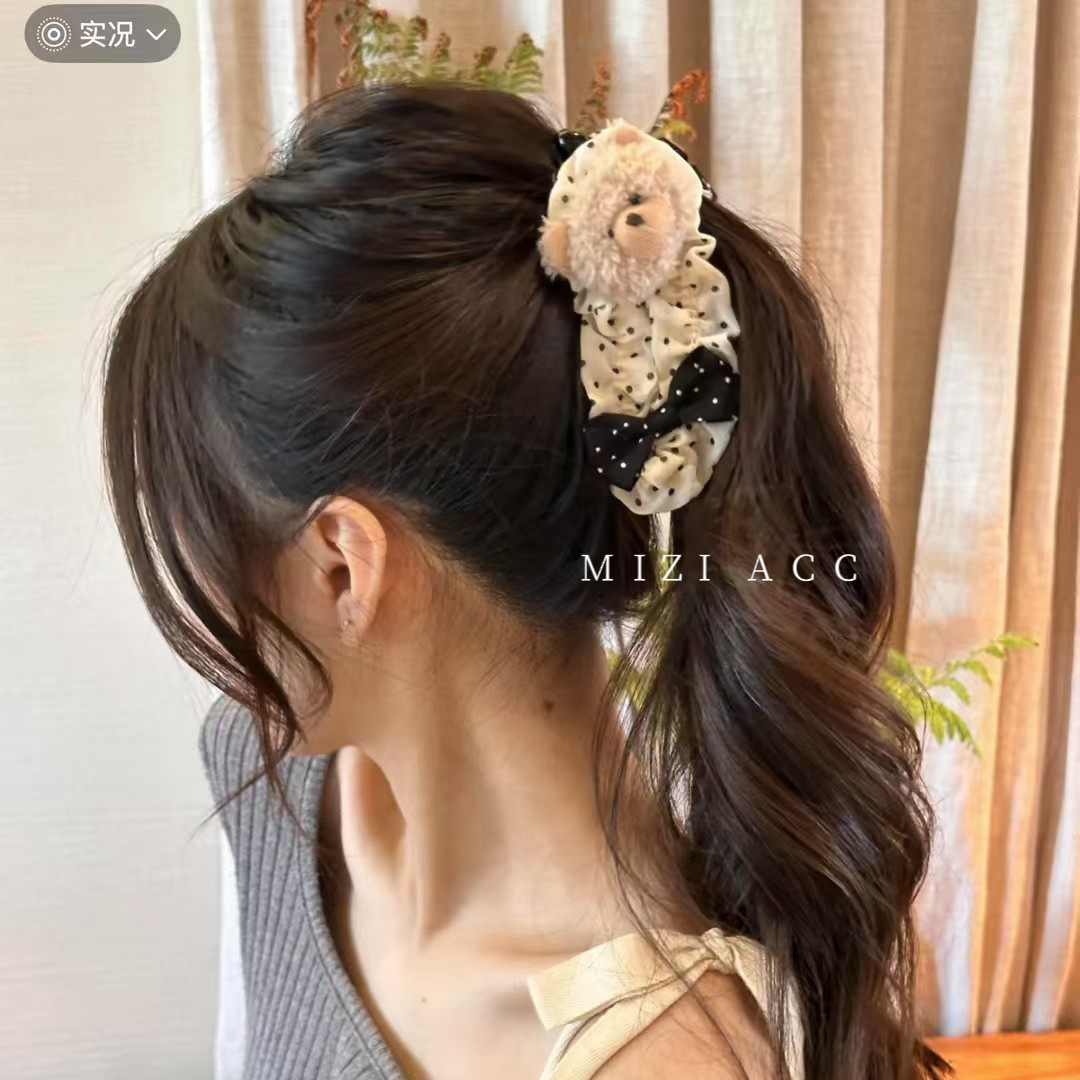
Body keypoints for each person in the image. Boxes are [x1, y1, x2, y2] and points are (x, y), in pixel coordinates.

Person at [101, 82, 949, 1080]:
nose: (198, 585)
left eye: (204, 528)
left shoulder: (659, 1062)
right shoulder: (269, 773)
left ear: (342, 564)